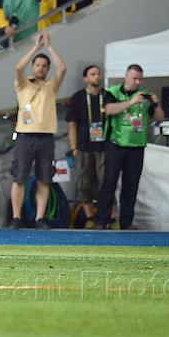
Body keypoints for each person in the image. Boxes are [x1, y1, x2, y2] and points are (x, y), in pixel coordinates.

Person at [8, 32, 67, 229]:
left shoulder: (51, 86)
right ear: (33, 67)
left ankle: (40, 218)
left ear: (48, 69)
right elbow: (18, 68)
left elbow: (62, 68)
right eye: (38, 65)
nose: (41, 68)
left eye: (44, 66)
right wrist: (35, 48)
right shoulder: (23, 84)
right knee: (20, 177)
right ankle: (16, 217)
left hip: (46, 137)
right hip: (25, 136)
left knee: (44, 179)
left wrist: (49, 46)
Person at [97, 64, 165, 229]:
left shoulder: (145, 95)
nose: (137, 82)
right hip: (115, 143)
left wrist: (156, 104)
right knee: (109, 183)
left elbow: (160, 118)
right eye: (134, 78)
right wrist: (131, 101)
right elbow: (109, 109)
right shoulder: (112, 92)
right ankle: (102, 221)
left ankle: (126, 223)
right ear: (126, 76)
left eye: (140, 79)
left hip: (137, 146)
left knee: (131, 185)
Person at [66, 65, 108, 222]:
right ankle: (90, 218)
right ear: (85, 78)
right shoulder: (78, 97)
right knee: (83, 183)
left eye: (98, 73)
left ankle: (108, 217)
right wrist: (73, 148)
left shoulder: (108, 96)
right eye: (92, 74)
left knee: (106, 182)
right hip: (83, 147)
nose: (97, 76)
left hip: (104, 147)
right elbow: (72, 124)